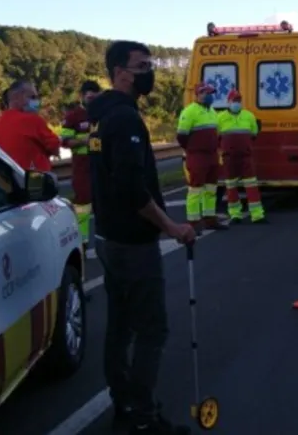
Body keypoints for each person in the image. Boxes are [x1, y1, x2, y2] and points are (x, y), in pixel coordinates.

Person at [89, 40, 196, 435]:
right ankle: (144, 416)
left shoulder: (100, 116)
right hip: (132, 243)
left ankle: (123, 401)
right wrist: (171, 227)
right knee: (152, 330)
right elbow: (131, 189)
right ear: (120, 72)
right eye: (142, 66)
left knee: (120, 326)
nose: (150, 72)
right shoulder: (124, 120)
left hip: (108, 236)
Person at [177, 83, 228, 232]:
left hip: (211, 155)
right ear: (198, 94)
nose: (210, 96)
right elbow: (181, 136)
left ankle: (210, 219)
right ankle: (193, 222)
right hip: (197, 155)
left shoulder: (212, 111)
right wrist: (192, 149)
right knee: (195, 189)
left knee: (211, 189)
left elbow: (217, 133)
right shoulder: (190, 111)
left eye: (211, 93)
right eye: (207, 93)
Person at [216, 89, 267, 224]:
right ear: (228, 102)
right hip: (229, 158)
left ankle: (257, 215)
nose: (237, 103)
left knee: (252, 186)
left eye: (239, 101)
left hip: (245, 157)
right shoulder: (220, 118)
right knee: (231, 187)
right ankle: (235, 214)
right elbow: (216, 137)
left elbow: (254, 133)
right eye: (234, 101)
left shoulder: (249, 116)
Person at [60, 80, 101, 245]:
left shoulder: (102, 113)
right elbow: (65, 141)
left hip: (100, 164)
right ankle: (81, 242)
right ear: (82, 97)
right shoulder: (73, 116)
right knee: (83, 204)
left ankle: (104, 240)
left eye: (95, 98)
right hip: (82, 166)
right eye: (90, 98)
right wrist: (84, 141)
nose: (93, 101)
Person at [0, 79, 60, 172]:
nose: (36, 101)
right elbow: (55, 148)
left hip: (8, 178)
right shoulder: (32, 120)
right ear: (17, 97)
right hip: (34, 178)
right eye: (32, 97)